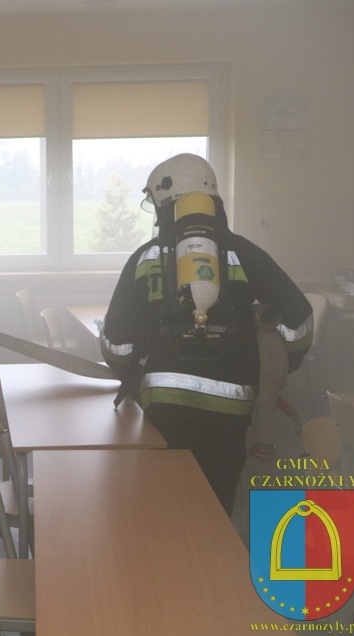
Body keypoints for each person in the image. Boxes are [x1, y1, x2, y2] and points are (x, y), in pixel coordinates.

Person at [99, 153, 313, 516]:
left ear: (164, 205)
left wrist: (132, 373)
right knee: (216, 506)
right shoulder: (245, 253)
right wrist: (277, 364)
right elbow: (300, 322)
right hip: (232, 412)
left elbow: (117, 345)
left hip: (163, 410)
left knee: (164, 507)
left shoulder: (145, 259)